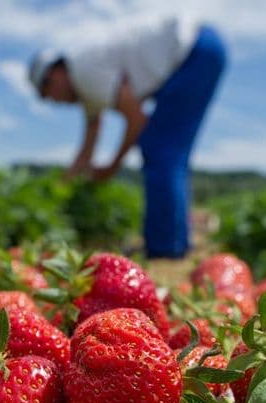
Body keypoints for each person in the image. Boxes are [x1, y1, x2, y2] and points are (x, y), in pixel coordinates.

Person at [28, 16, 226, 259]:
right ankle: (173, 243)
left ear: (55, 73)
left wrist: (112, 167)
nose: (54, 101)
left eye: (47, 92)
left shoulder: (83, 73)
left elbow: (136, 119)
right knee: (169, 153)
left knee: (160, 149)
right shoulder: (87, 90)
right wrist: (63, 186)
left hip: (193, 51)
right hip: (197, 49)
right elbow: (88, 146)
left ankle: (165, 249)